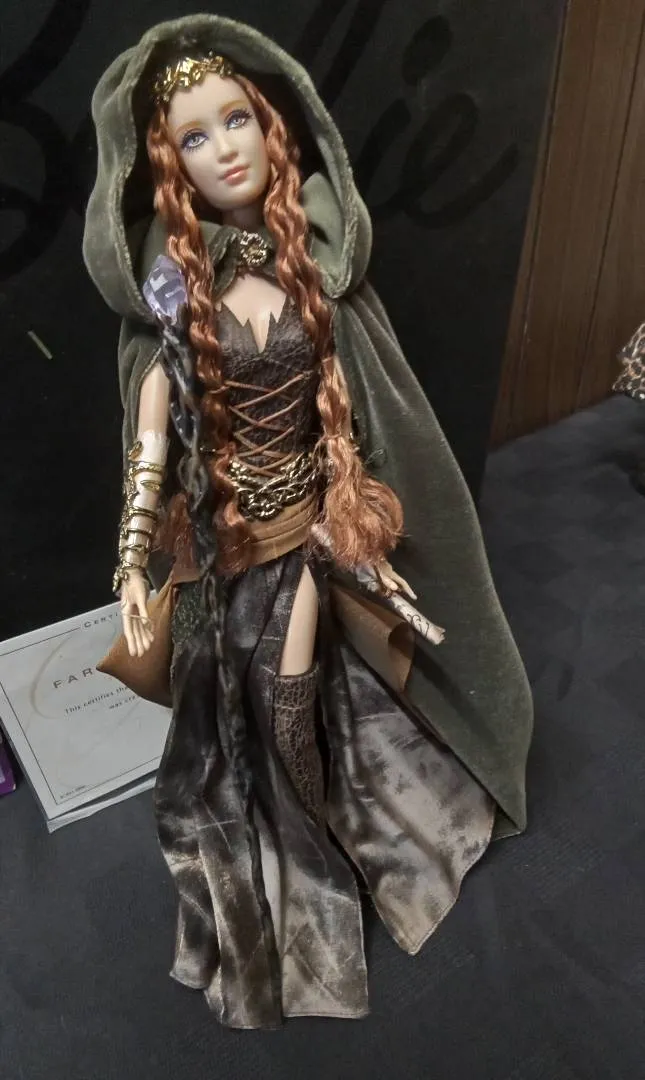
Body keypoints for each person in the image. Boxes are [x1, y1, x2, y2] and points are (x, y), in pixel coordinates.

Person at [83, 15, 532, 1030]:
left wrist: (359, 529)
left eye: (236, 119)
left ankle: (319, 872)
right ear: (169, 164)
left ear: (271, 124)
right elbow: (149, 447)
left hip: (304, 547)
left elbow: (358, 425)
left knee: (291, 703)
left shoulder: (313, 273)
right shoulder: (176, 295)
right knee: (232, 722)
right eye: (194, 136)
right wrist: (131, 567)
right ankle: (278, 881)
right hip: (223, 554)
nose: (224, 148)